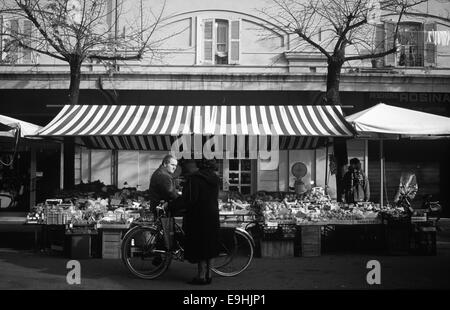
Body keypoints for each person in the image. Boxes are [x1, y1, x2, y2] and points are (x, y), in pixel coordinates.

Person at [182, 159, 220, 285]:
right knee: (210, 245)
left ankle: (201, 276)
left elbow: (190, 199)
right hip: (213, 215)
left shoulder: (195, 179)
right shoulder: (215, 179)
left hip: (198, 216)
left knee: (201, 246)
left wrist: (174, 206)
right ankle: (209, 275)